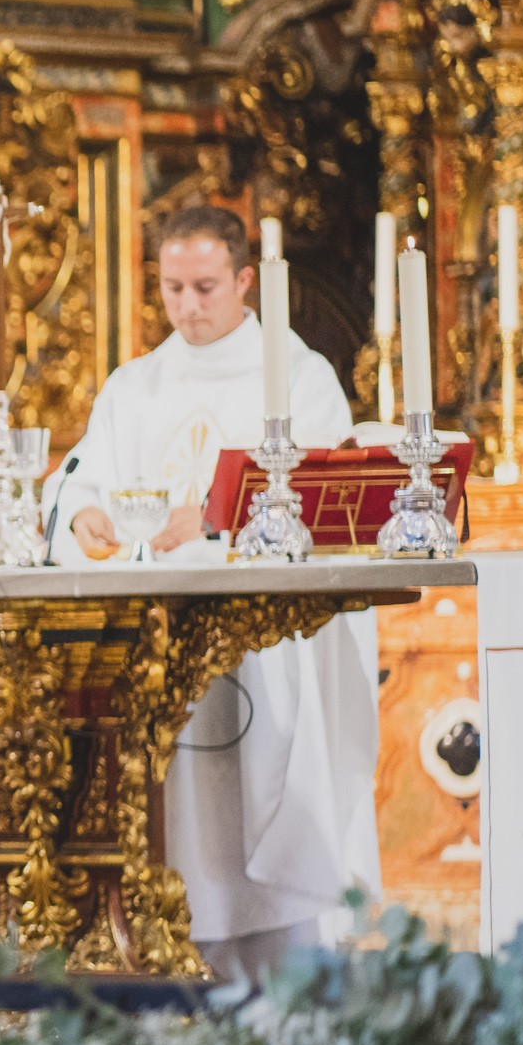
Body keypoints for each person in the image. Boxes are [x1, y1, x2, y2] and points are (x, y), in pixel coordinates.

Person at [43, 205, 381, 980]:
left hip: (264, 651)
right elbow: (75, 483)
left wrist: (215, 516)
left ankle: (285, 976)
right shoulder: (136, 385)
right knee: (184, 816)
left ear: (244, 280)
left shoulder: (298, 377)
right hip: (161, 646)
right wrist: (84, 514)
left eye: (204, 287)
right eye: (172, 289)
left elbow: (327, 500)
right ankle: (178, 966)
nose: (187, 306)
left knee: (261, 796)